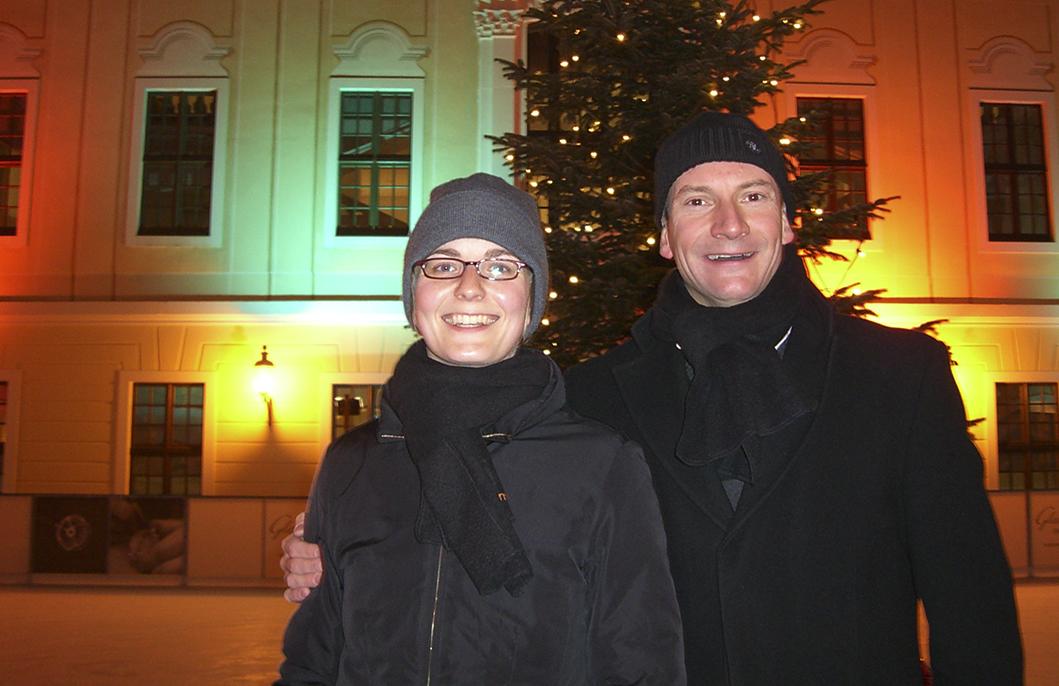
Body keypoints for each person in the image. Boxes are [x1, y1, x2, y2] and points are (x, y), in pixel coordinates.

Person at [282, 114, 1023, 684]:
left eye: (753, 196)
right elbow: (471, 492)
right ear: (666, 236)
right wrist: (324, 539)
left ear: (787, 222)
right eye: (696, 200)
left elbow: (972, 602)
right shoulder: (592, 395)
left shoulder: (902, 375)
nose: (727, 224)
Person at [276, 173, 685, 685]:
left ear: (531, 296)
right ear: (413, 292)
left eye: (500, 266)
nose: (469, 287)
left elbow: (640, 660)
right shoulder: (352, 461)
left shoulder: (602, 466)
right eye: (444, 265)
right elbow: (315, 657)